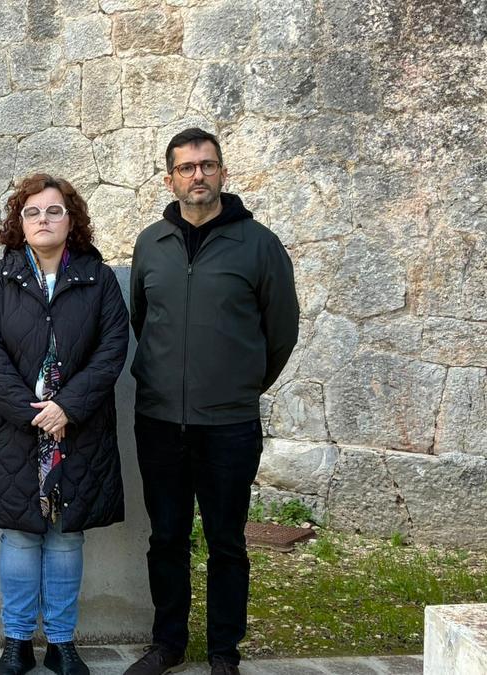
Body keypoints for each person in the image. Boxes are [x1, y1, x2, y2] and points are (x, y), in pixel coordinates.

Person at [123, 128, 299, 675]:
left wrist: (238, 386)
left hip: (228, 424)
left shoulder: (259, 244)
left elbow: (281, 333)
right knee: (166, 537)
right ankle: (167, 644)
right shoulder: (151, 244)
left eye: (207, 164)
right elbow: (141, 321)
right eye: (186, 167)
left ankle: (224, 651)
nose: (197, 174)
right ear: (170, 177)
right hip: (159, 421)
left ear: (222, 172)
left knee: (227, 541)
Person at [0, 173, 130, 675]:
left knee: (66, 536)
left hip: (78, 430)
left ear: (71, 219)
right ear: (19, 223)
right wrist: (34, 414)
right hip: (14, 431)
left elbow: (112, 349)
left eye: (54, 210)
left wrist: (68, 408)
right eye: (33, 212)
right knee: (19, 534)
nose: (44, 219)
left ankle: (61, 642)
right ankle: (16, 641)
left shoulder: (98, 278)